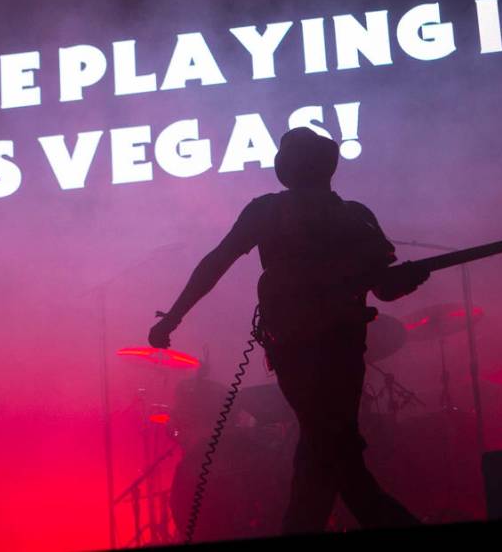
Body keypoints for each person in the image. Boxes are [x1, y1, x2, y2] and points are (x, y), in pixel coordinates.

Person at [148, 127, 429, 533]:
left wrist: (173, 318)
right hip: (330, 348)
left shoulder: (275, 211)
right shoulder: (352, 217)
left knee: (327, 448)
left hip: (312, 347)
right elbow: (386, 287)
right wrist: (408, 279)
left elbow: (217, 262)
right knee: (332, 446)